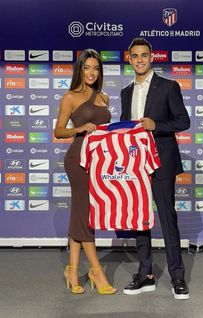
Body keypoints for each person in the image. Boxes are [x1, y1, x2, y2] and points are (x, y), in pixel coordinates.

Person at [120, 38, 191, 299]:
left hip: (161, 161)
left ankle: (178, 278)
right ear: (129, 59)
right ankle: (146, 274)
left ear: (152, 58)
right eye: (135, 56)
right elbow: (127, 128)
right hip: (135, 165)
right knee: (139, 219)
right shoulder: (125, 92)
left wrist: (155, 125)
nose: (139, 60)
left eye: (144, 55)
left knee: (167, 219)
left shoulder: (169, 87)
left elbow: (184, 121)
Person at [54, 49, 116, 295]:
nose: (92, 72)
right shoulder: (70, 97)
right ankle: (97, 272)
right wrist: (79, 128)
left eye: (96, 68)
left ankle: (72, 269)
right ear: (79, 69)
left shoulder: (105, 97)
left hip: (99, 161)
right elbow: (59, 131)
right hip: (78, 160)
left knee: (81, 213)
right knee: (86, 214)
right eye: (87, 67)